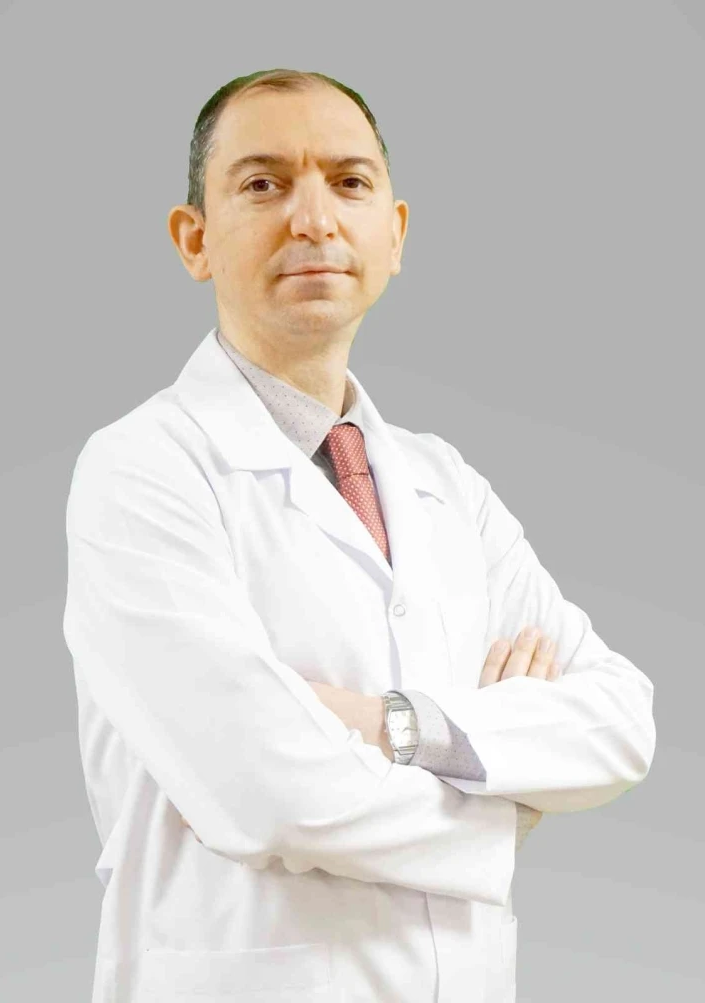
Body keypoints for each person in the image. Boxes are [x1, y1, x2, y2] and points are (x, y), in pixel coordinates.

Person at [62, 68, 656, 1003]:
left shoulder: (443, 483)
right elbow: (267, 791)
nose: (313, 219)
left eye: (348, 182)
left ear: (396, 233)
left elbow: (621, 721)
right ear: (194, 239)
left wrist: (392, 723)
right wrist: (506, 800)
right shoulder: (141, 471)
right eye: (264, 184)